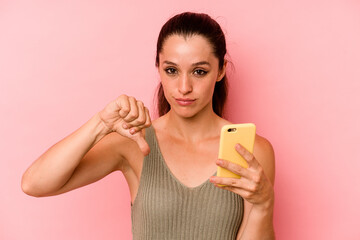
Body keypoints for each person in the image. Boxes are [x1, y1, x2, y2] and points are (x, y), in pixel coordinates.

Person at [22, 12, 275, 239]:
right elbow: (34, 184)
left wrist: (264, 204)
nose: (184, 87)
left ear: (220, 71)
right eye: (172, 70)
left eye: (199, 71)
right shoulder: (135, 141)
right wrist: (100, 123)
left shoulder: (250, 150)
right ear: (159, 68)